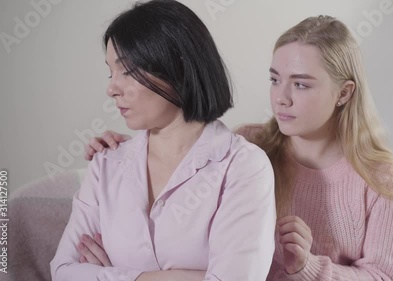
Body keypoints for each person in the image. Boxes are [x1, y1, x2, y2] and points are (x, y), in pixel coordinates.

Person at [85, 15, 393, 281]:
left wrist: (307, 268)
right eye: (274, 79)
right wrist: (133, 151)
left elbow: (383, 276)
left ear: (344, 93)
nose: (281, 97)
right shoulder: (250, 145)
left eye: (300, 84)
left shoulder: (382, 176)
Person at [50, 1, 276, 281]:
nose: (111, 89)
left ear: (177, 67)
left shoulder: (243, 166)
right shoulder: (106, 163)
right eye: (111, 72)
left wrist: (111, 275)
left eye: (128, 71)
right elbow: (62, 272)